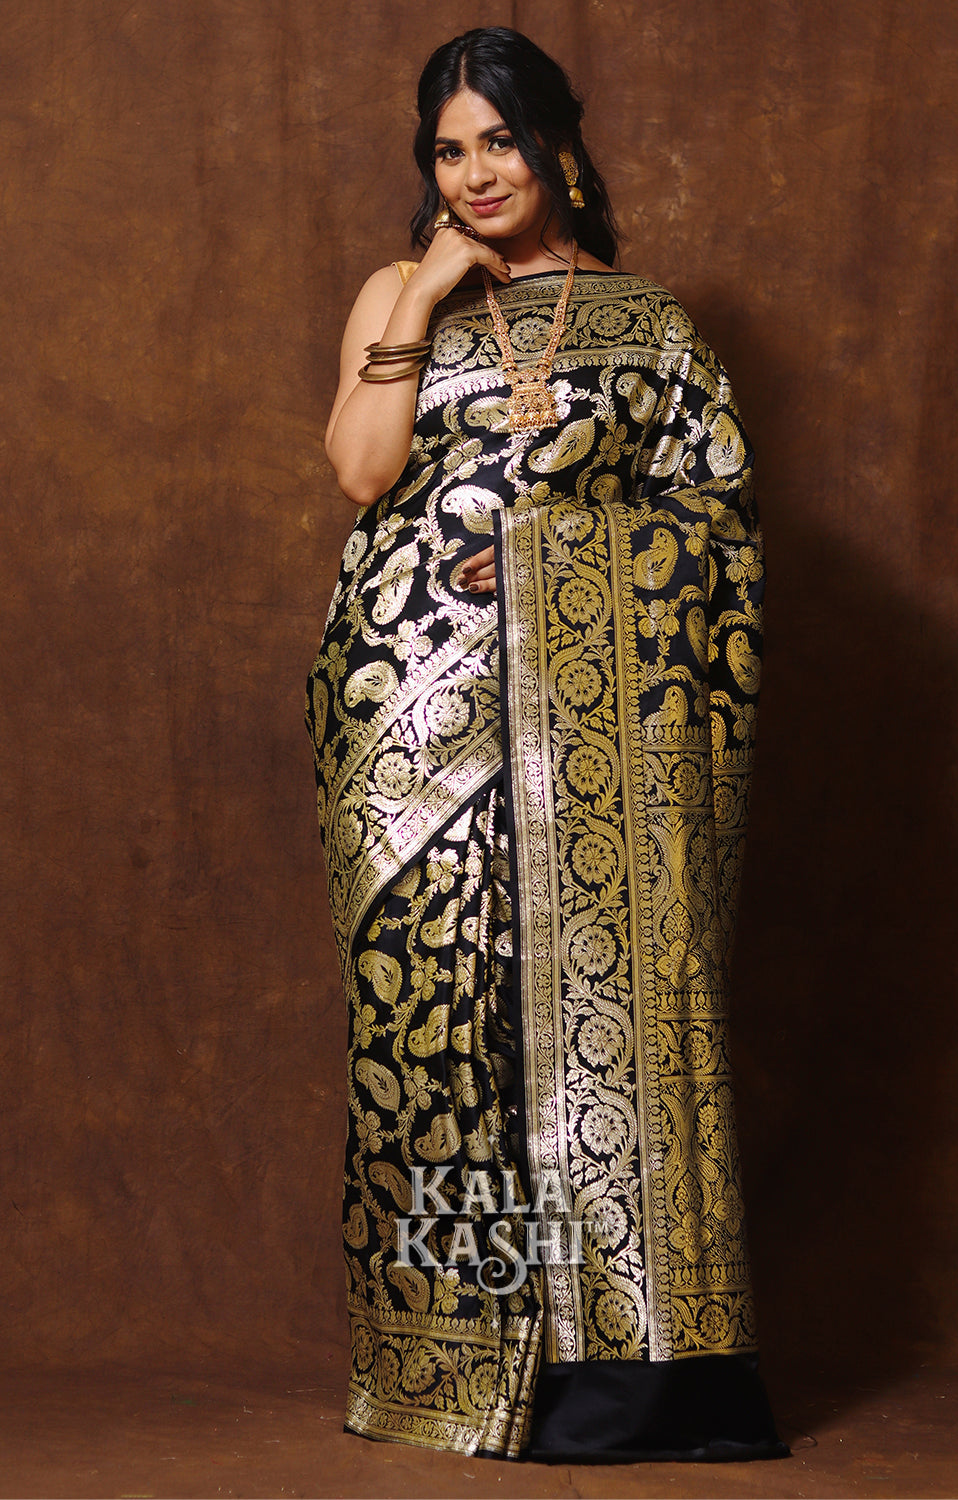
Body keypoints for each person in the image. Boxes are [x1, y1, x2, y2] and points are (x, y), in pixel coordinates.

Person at [306, 26, 787, 1463]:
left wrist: (553, 562)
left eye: (500, 142)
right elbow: (362, 469)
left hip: (590, 720)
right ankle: (461, 1359)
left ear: (559, 146)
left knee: (578, 1025)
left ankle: (605, 1376)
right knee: (440, 1027)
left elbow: (717, 528)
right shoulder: (400, 292)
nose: (476, 173)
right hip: (405, 716)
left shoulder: (653, 327)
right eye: (448, 151)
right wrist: (427, 287)